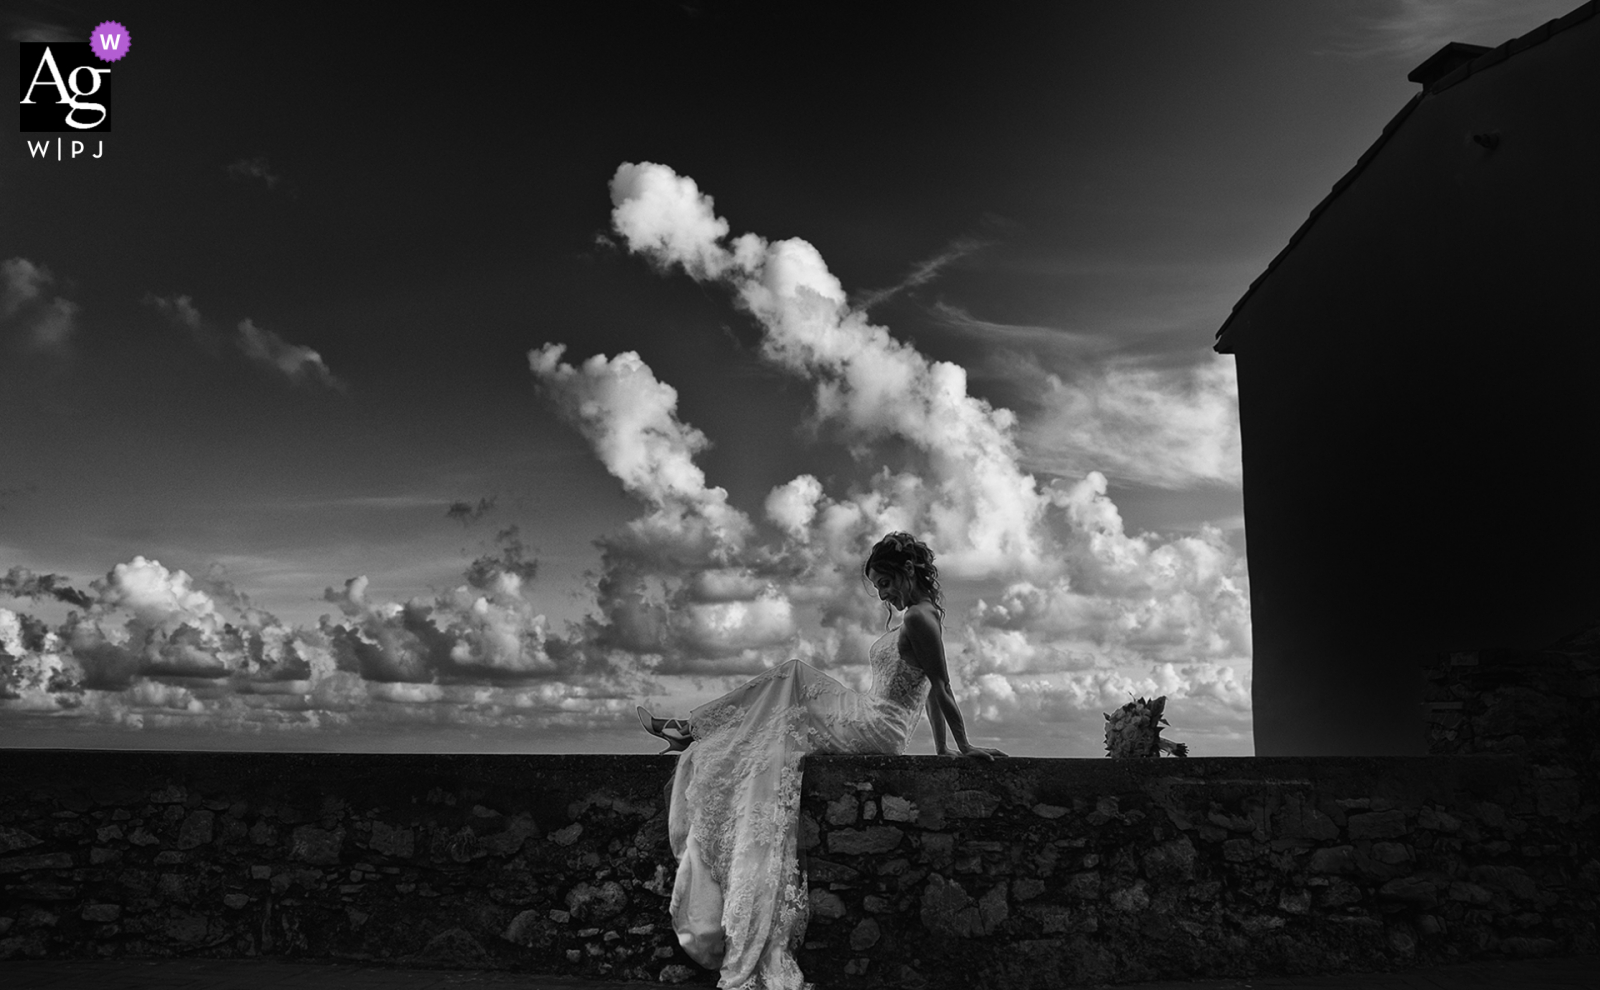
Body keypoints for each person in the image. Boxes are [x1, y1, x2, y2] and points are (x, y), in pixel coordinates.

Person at [635, 531, 1006, 990]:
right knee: (780, 709)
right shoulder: (918, 616)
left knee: (792, 677)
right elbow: (929, 690)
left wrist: (963, 746)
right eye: (878, 587)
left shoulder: (921, 621)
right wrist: (942, 750)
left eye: (886, 584)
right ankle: (693, 729)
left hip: (878, 727)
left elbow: (941, 688)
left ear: (908, 572)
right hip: (872, 717)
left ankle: (690, 727)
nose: (883, 594)